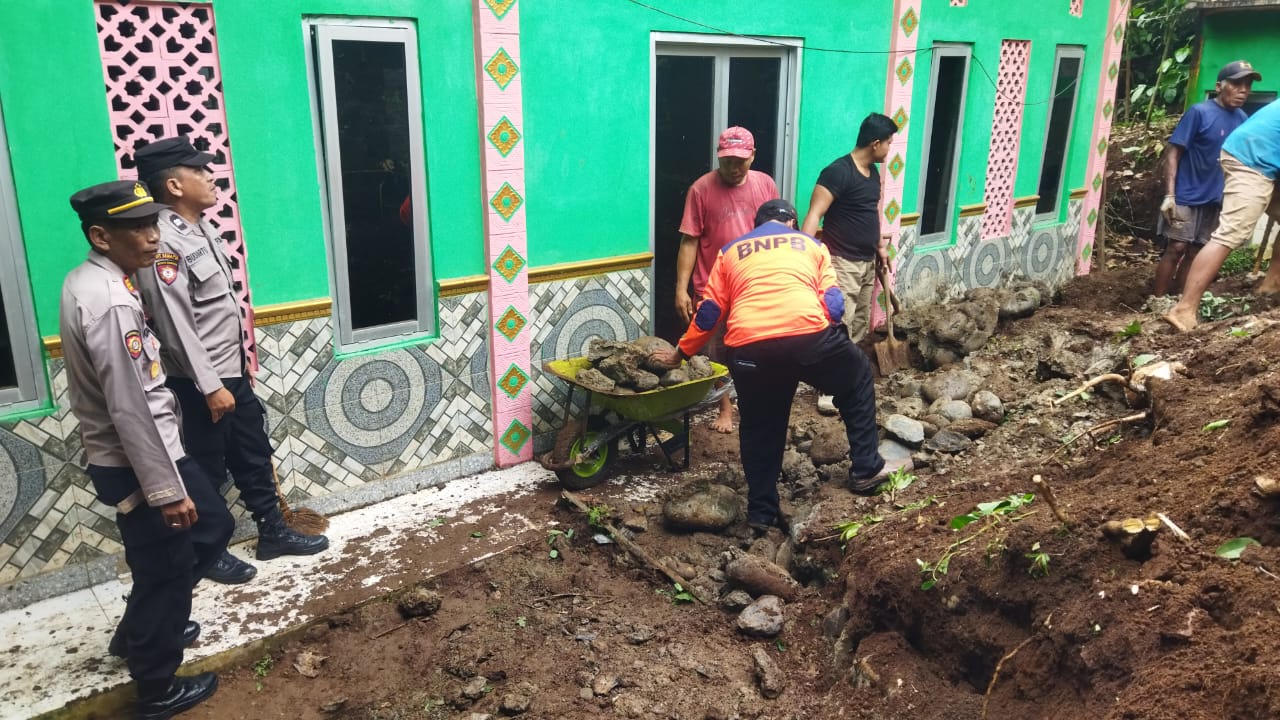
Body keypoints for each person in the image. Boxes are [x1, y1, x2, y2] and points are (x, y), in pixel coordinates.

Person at [61, 180, 231, 718]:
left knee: (197, 538)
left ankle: (139, 632)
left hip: (139, 455)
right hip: (145, 460)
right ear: (100, 235)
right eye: (137, 227)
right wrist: (165, 489)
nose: (153, 236)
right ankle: (157, 687)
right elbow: (132, 405)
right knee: (170, 563)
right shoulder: (112, 302)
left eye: (153, 223)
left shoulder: (90, 281)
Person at [133, 136, 329, 584]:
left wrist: (233, 375)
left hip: (229, 374)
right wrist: (209, 386)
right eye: (199, 171)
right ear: (174, 184)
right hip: (201, 383)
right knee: (205, 467)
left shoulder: (200, 228)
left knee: (252, 452)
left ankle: (273, 532)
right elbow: (175, 324)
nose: (211, 176)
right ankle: (209, 551)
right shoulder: (162, 243)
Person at [651, 199, 911, 533]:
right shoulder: (812, 245)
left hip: (748, 349)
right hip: (808, 338)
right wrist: (833, 345)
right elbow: (832, 305)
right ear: (791, 222)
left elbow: (709, 313)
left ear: (756, 227)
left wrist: (679, 354)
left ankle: (761, 513)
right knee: (857, 376)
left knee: (760, 426)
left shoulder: (731, 251)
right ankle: (866, 468)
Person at [675, 126, 779, 434]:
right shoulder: (701, 190)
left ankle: (755, 402)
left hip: (753, 285)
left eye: (741, 161)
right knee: (716, 351)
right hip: (712, 287)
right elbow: (689, 241)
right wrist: (681, 289)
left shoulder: (765, 185)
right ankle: (725, 408)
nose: (734, 168)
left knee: (755, 346)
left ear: (753, 156)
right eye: (727, 161)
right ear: (718, 158)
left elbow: (777, 232)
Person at [801, 113, 898, 414]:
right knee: (838, 326)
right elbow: (814, 214)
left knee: (857, 326)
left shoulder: (873, 173)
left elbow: (871, 213)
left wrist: (880, 248)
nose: (889, 150)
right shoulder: (837, 172)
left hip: (867, 261)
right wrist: (804, 258)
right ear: (875, 143)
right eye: (889, 144)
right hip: (841, 262)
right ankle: (827, 389)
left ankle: (846, 382)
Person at [1165, 97, 1280, 332]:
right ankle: (1184, 310)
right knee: (1232, 232)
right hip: (1252, 159)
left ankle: (1271, 285)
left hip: (1262, 153)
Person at [1153, 61, 1257, 296]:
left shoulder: (1242, 119)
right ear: (1219, 86)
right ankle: (1156, 300)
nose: (1243, 90)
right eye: (1237, 84)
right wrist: (1170, 195)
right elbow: (1173, 153)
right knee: (1177, 247)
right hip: (1186, 194)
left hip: (1215, 198)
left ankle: (1178, 300)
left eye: (1247, 85)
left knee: (1195, 251)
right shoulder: (1199, 112)